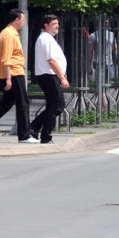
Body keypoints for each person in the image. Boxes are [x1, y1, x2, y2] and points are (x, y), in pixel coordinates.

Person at [0, 9, 35, 143]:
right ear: (16, 20)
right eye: (22, 20)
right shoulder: (9, 34)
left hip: (13, 72)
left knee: (7, 103)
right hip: (14, 72)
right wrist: (9, 78)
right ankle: (24, 135)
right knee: (23, 103)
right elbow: (6, 58)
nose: (23, 23)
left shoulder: (10, 33)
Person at [30, 14, 69, 144]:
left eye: (57, 24)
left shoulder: (48, 38)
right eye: (54, 24)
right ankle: (45, 136)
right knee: (55, 106)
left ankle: (34, 127)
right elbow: (51, 60)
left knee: (56, 106)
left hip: (51, 76)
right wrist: (62, 78)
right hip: (48, 76)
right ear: (46, 25)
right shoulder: (45, 39)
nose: (57, 26)